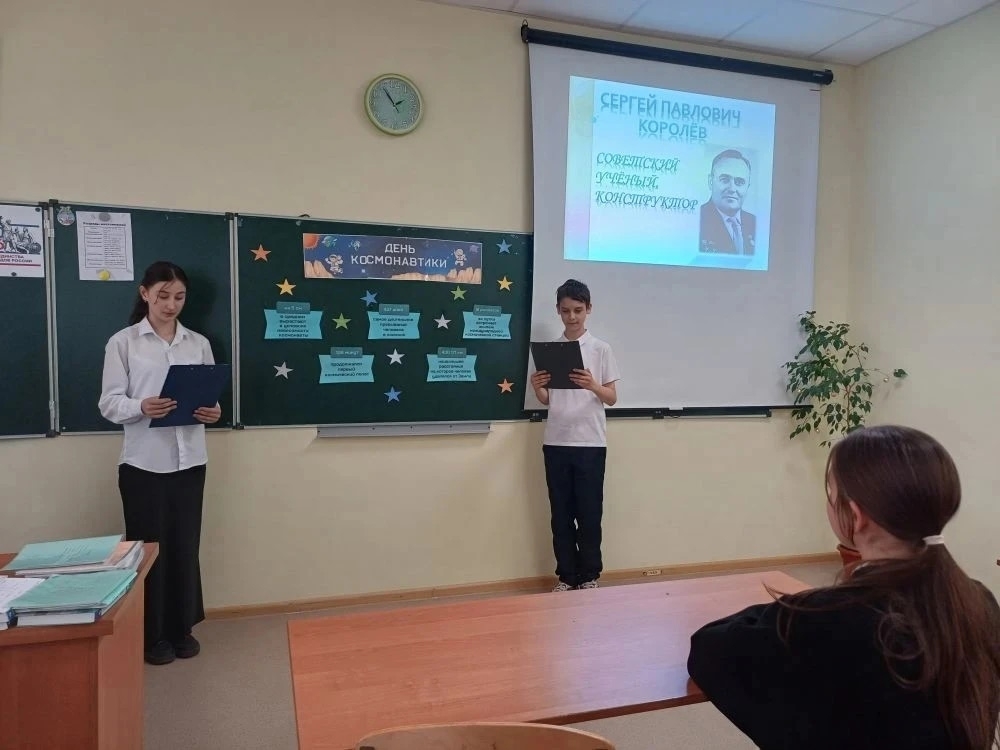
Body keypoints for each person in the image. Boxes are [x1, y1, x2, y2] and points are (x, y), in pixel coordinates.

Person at [687, 425, 1000, 750]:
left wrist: (804, 603)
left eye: (831, 492)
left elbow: (709, 652)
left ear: (855, 514)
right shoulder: (980, 601)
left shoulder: (824, 618)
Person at [98, 261, 221, 665]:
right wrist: (141, 406)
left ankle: (182, 629)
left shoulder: (197, 343)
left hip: (191, 461)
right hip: (143, 465)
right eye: (163, 296)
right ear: (145, 293)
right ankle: (152, 635)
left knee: (185, 546)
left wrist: (214, 412)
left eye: (179, 297)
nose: (171, 305)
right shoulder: (124, 342)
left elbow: (208, 396)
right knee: (149, 550)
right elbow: (109, 403)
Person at [530, 279, 621, 592]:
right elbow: (548, 400)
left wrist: (592, 385)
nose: (572, 317)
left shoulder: (601, 349)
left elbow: (611, 398)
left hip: (590, 443)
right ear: (558, 310)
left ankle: (589, 575)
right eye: (566, 310)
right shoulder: (551, 350)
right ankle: (566, 577)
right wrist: (538, 388)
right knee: (561, 514)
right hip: (555, 441)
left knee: (589, 512)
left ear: (588, 309)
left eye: (578, 310)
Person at [699, 149, 756, 255]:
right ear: (710, 182)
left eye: (739, 182)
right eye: (725, 180)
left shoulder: (755, 223)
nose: (732, 189)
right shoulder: (697, 219)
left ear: (747, 187)